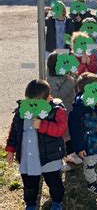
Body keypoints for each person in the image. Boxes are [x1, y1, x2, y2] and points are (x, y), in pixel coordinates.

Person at [5, 80, 67, 210]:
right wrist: (11, 149)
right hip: (28, 158)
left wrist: (42, 125)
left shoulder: (56, 111)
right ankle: (31, 204)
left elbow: (61, 129)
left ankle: (57, 201)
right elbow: (14, 131)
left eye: (37, 103)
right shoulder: (21, 112)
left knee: (54, 183)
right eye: (29, 101)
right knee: (29, 185)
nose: (32, 105)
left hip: (50, 158)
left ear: (48, 99)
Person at [46, 52, 80, 171]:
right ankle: (59, 160)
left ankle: (71, 154)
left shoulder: (65, 76)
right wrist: (70, 82)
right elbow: (57, 96)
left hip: (69, 110)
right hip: (59, 113)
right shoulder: (50, 81)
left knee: (69, 133)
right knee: (61, 136)